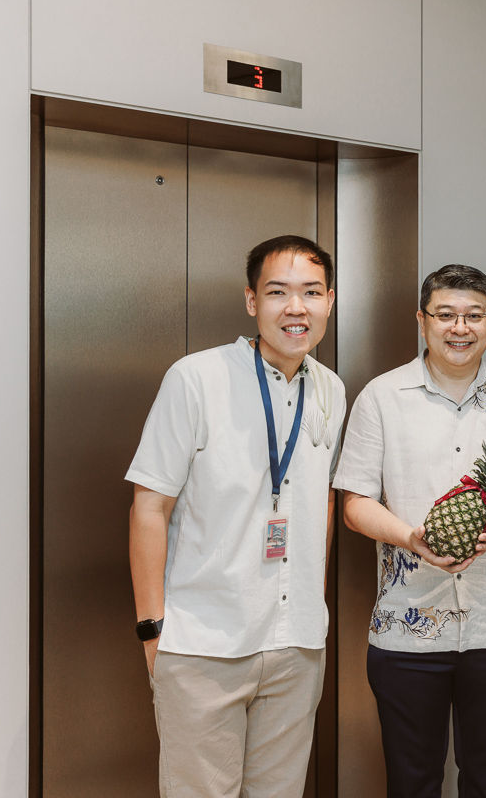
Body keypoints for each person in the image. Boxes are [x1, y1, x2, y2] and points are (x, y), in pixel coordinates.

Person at [127, 235, 345, 797]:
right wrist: (154, 632)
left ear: (330, 302)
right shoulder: (196, 378)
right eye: (278, 292)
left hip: (296, 645)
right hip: (203, 643)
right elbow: (150, 507)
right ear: (252, 301)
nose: (295, 308)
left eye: (310, 293)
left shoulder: (331, 388)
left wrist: (312, 600)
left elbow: (319, 496)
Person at [333, 264, 486, 798]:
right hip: (406, 630)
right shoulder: (382, 396)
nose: (460, 327)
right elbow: (354, 502)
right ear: (422, 320)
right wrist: (410, 537)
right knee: (412, 783)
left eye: (474, 316)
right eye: (446, 315)